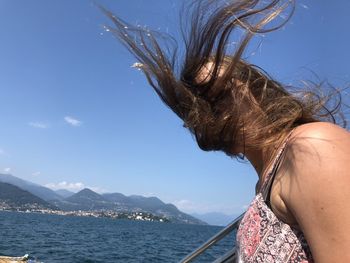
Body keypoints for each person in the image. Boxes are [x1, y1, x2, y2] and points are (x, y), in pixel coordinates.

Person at [103, 0, 350, 262]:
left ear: (252, 89)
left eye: (217, 92)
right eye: (194, 110)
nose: (207, 114)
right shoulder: (265, 182)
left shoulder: (312, 147)